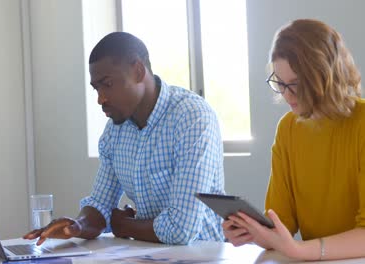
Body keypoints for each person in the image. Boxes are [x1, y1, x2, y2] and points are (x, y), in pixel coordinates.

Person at [23, 32, 225, 245]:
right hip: (150, 254)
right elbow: (101, 204)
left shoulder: (192, 117)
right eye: (96, 88)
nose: (100, 99)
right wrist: (77, 226)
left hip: (203, 254)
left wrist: (125, 226)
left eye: (107, 84)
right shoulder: (115, 130)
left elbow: (181, 229)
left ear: (138, 71)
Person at [223, 19, 365, 260]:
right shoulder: (288, 128)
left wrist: (300, 250)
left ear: (325, 76)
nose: (287, 95)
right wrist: (254, 232)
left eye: (296, 84)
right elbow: (282, 221)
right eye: (280, 83)